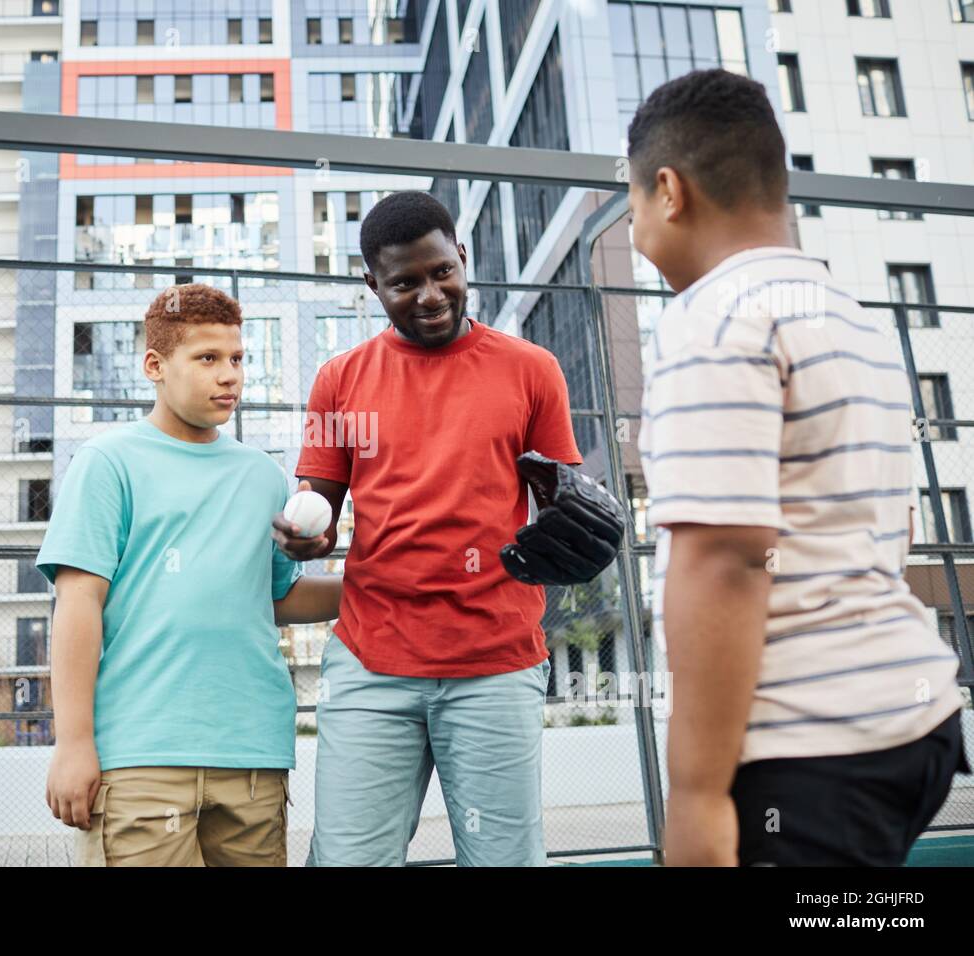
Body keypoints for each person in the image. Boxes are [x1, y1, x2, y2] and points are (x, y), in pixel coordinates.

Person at [627, 68, 969, 866]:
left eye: (635, 201)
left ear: (670, 191)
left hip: (804, 749)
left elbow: (726, 556)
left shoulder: (713, 319)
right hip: (907, 725)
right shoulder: (853, 324)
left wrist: (698, 794)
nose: (638, 228)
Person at [273, 190, 584, 866]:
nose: (431, 294)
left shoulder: (532, 371)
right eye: (404, 282)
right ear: (371, 285)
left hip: (494, 662)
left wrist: (579, 530)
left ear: (463, 258)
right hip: (371, 660)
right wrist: (308, 537)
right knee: (348, 859)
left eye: (442, 271)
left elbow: (563, 501)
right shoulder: (339, 380)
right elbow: (318, 504)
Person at [38, 283, 342, 866]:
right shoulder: (108, 463)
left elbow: (279, 597)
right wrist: (73, 744)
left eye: (237, 359)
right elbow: (78, 606)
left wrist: (378, 588)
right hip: (140, 760)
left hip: (252, 759)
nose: (229, 375)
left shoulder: (265, 476)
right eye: (207, 359)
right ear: (155, 366)